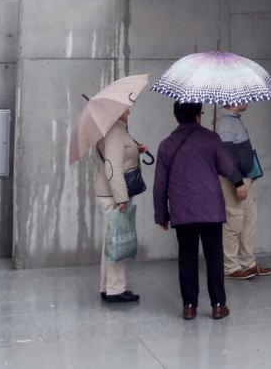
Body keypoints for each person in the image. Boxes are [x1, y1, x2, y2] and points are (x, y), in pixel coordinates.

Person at [154, 101, 247, 320]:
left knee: (187, 258)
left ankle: (189, 306)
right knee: (214, 256)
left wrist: (161, 215)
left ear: (177, 117)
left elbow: (160, 184)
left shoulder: (166, 144)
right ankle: (217, 305)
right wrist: (239, 182)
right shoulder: (211, 138)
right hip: (210, 209)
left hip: (182, 210)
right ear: (198, 115)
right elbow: (226, 165)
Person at [216, 104, 271, 281]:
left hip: (244, 179)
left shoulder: (235, 121)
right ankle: (231, 267)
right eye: (243, 98)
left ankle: (247, 263)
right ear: (233, 100)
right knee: (233, 223)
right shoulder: (225, 123)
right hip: (236, 181)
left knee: (249, 220)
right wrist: (238, 181)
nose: (247, 101)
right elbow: (226, 157)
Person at [94, 111, 147, 303]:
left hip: (109, 193)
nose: (130, 111)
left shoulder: (113, 128)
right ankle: (115, 289)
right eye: (126, 108)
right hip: (114, 195)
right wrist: (121, 198)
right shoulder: (115, 130)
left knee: (111, 239)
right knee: (118, 240)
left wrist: (135, 151)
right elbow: (112, 167)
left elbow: (117, 156)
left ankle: (106, 286)